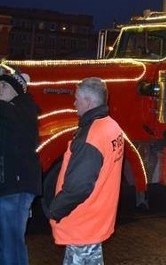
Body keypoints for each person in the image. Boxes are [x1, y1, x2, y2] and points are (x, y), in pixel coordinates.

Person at [42, 77, 124, 265]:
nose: (74, 103)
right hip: (95, 220)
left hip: (82, 223)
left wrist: (54, 210)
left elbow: (79, 187)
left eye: (76, 98)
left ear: (88, 102)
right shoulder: (112, 126)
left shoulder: (91, 137)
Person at [0, 69, 41, 265]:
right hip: (9, 185)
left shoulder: (22, 110)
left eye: (4, 85)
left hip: (15, 187)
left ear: (17, 90)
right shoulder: (11, 111)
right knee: (7, 241)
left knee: (11, 242)